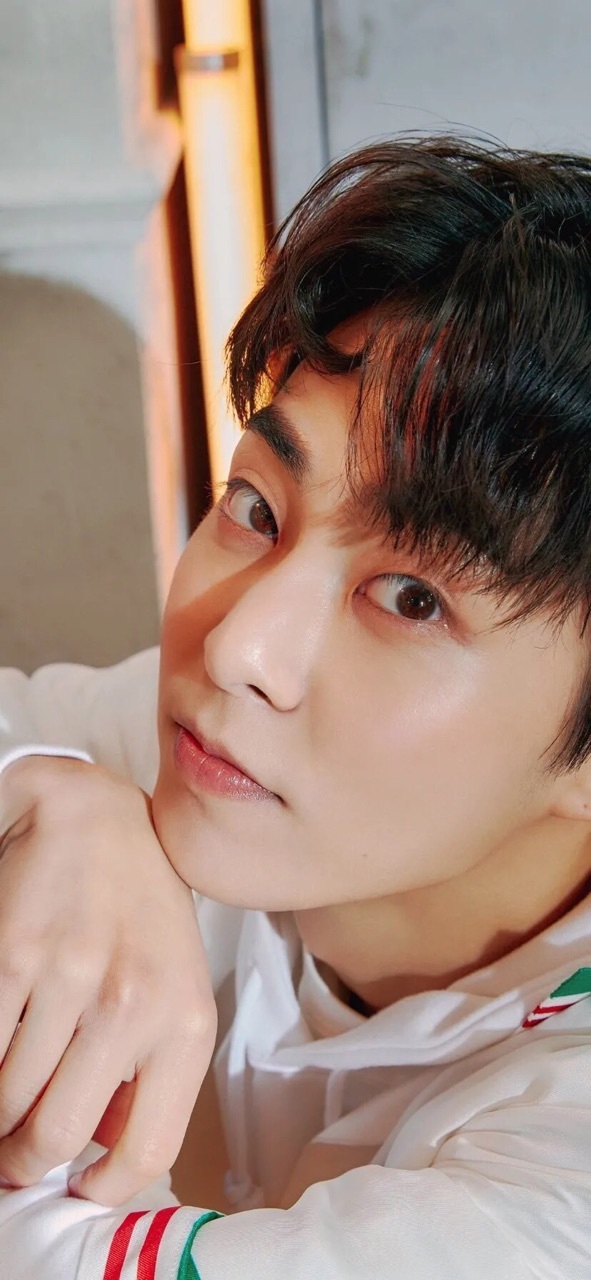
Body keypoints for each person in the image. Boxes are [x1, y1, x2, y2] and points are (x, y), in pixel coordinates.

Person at [0, 134, 590, 1278]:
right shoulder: (201, 763)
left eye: (412, 599)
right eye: (257, 508)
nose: (238, 647)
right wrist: (48, 795)